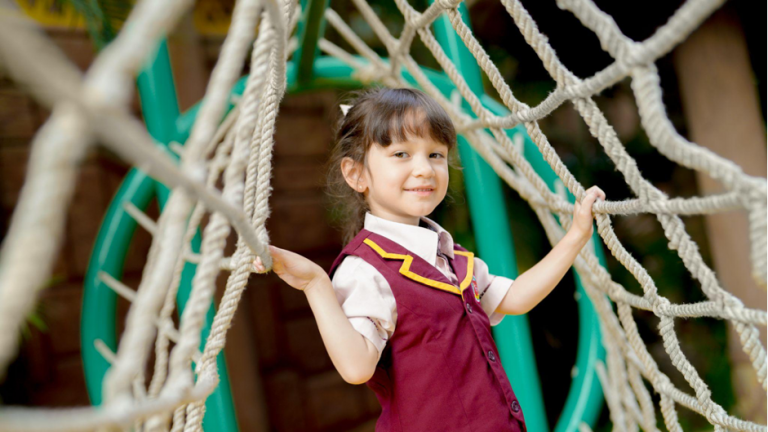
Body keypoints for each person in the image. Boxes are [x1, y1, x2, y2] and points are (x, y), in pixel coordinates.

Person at [253, 87, 605, 431]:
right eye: (401, 154)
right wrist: (316, 284)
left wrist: (574, 237)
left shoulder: (450, 257)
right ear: (356, 174)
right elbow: (357, 366)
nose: (424, 169)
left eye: (436, 155)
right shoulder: (365, 270)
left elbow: (514, 297)